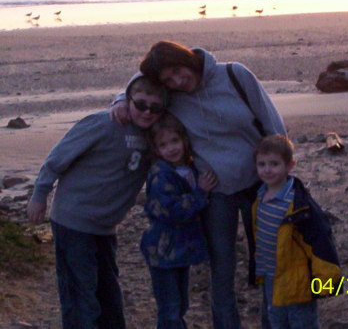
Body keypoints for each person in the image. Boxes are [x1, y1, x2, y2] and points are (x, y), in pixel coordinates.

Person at [112, 40, 287, 329]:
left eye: (178, 71)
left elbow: (274, 126)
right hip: (216, 192)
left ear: (188, 58)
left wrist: (281, 181)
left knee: (270, 264)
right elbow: (140, 85)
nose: (178, 81)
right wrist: (120, 99)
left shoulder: (235, 75)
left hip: (260, 185)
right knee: (222, 270)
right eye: (168, 79)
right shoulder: (173, 95)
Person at [26, 74, 165, 329]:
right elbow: (57, 159)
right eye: (141, 104)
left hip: (105, 227)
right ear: (130, 100)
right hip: (73, 222)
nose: (147, 112)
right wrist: (39, 195)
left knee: (109, 297)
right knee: (80, 297)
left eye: (155, 108)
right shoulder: (104, 124)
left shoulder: (156, 137)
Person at [252, 134, 341, 329]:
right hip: (271, 276)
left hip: (298, 280)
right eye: (262, 164)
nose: (267, 170)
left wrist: (327, 278)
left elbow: (319, 239)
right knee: (277, 322)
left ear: (290, 166)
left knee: (302, 323)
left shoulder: (298, 204)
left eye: (274, 164)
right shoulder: (259, 197)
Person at [141, 113, 217, 328]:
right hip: (162, 251)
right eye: (163, 145)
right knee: (170, 309)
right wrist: (200, 193)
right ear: (156, 150)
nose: (171, 148)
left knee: (181, 304)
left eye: (174, 141)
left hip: (180, 251)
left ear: (184, 140)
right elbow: (171, 211)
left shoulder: (188, 169)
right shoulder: (161, 175)